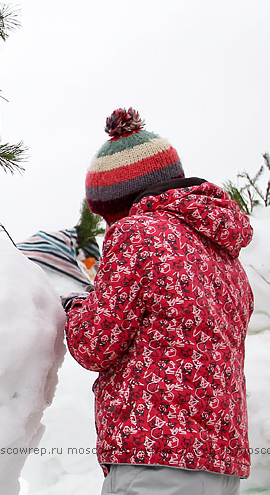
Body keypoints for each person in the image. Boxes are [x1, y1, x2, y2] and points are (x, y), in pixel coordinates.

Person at [64, 107, 253, 495]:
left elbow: (95, 345)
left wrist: (74, 307)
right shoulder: (224, 252)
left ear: (119, 205)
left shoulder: (136, 233)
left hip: (155, 451)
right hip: (222, 460)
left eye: (107, 216)